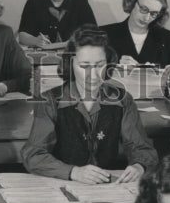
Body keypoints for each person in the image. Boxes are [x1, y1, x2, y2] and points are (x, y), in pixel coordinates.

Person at [21, 25, 158, 184]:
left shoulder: (122, 99)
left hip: (110, 187)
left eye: (100, 65)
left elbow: (143, 149)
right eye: (84, 66)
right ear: (69, 64)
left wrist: (139, 167)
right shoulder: (50, 100)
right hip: (65, 185)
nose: (93, 75)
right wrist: (74, 172)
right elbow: (33, 154)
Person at [100, 0, 170, 69]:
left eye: (153, 13)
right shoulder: (104, 34)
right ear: (132, 1)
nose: (146, 18)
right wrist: (116, 68)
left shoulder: (169, 39)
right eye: (144, 9)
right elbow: (94, 76)